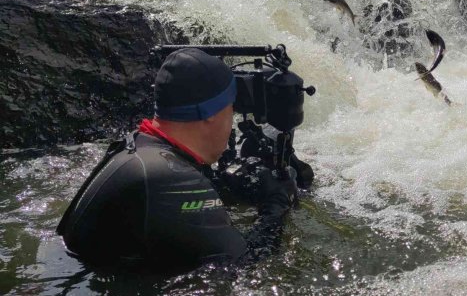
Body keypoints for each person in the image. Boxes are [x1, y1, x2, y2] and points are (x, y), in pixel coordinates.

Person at [57, 48, 298, 270]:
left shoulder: (142, 148)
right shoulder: (170, 177)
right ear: (211, 114)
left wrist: (225, 185)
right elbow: (242, 264)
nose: (232, 118)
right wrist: (276, 206)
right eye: (231, 108)